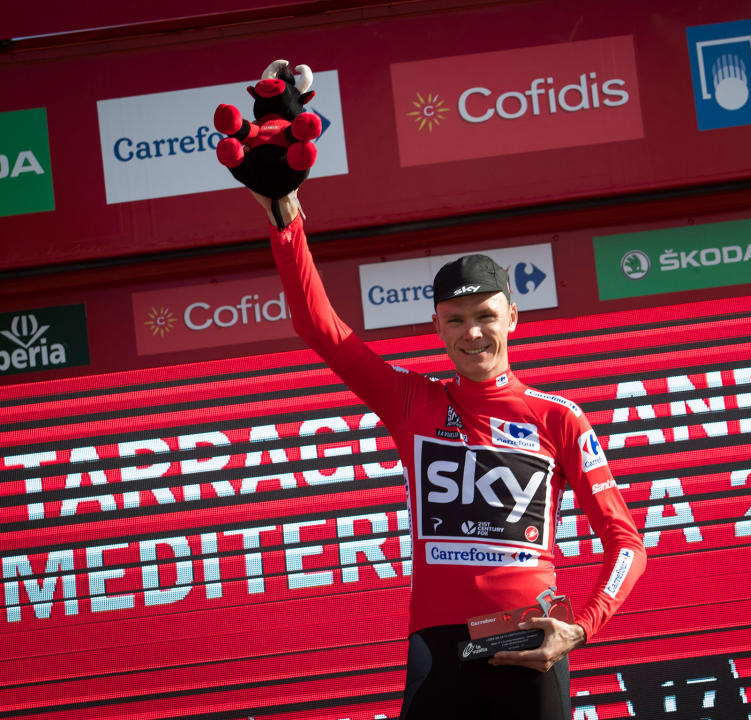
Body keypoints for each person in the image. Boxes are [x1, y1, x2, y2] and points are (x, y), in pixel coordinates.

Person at [257, 191, 645, 719]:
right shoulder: (411, 400)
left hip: (531, 639)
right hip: (437, 647)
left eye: (485, 315)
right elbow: (317, 325)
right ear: (436, 326)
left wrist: (581, 627)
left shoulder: (560, 418)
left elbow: (626, 542)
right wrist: (285, 216)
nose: (473, 333)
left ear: (512, 316)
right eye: (456, 319)